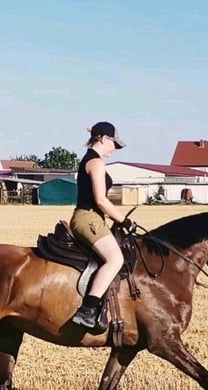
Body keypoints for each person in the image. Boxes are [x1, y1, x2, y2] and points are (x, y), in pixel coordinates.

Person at [69, 121, 136, 330]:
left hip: (92, 218)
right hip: (88, 218)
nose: (114, 149)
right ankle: (87, 310)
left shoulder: (92, 160)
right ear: (104, 138)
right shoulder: (96, 163)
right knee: (116, 258)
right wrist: (124, 220)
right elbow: (101, 200)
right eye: (114, 144)